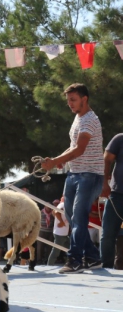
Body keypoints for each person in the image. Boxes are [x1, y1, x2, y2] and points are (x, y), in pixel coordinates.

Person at [40, 83, 104, 274]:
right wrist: (58, 160)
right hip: (74, 173)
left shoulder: (90, 120)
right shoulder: (78, 118)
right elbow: (72, 146)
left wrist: (56, 161)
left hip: (90, 175)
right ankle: (92, 257)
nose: (70, 104)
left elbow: (80, 149)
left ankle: (75, 260)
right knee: (71, 216)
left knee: (79, 217)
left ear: (85, 99)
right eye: (68, 100)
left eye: (73, 100)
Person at [100, 133, 123, 268]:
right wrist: (104, 183)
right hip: (117, 195)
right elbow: (106, 159)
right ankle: (105, 267)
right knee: (108, 234)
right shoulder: (120, 138)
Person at [48, 198, 70, 265]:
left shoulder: (63, 205)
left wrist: (60, 221)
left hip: (63, 233)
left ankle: (70, 263)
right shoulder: (62, 204)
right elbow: (56, 212)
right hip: (60, 233)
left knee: (69, 249)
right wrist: (61, 221)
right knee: (56, 252)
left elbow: (53, 212)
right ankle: (49, 265)